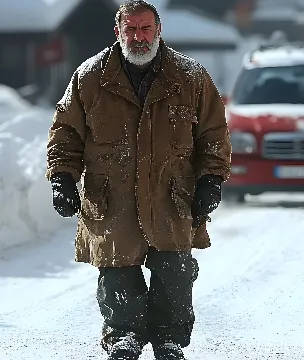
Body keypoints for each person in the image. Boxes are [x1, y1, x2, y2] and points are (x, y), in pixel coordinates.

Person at [45, 1, 231, 359]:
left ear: (159, 31)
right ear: (118, 32)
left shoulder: (190, 77)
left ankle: (169, 339)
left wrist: (212, 178)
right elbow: (66, 134)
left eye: (146, 29)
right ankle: (123, 336)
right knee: (117, 271)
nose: (138, 37)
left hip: (171, 194)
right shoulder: (90, 77)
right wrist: (62, 179)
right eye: (130, 29)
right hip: (111, 196)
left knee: (174, 273)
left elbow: (214, 134)